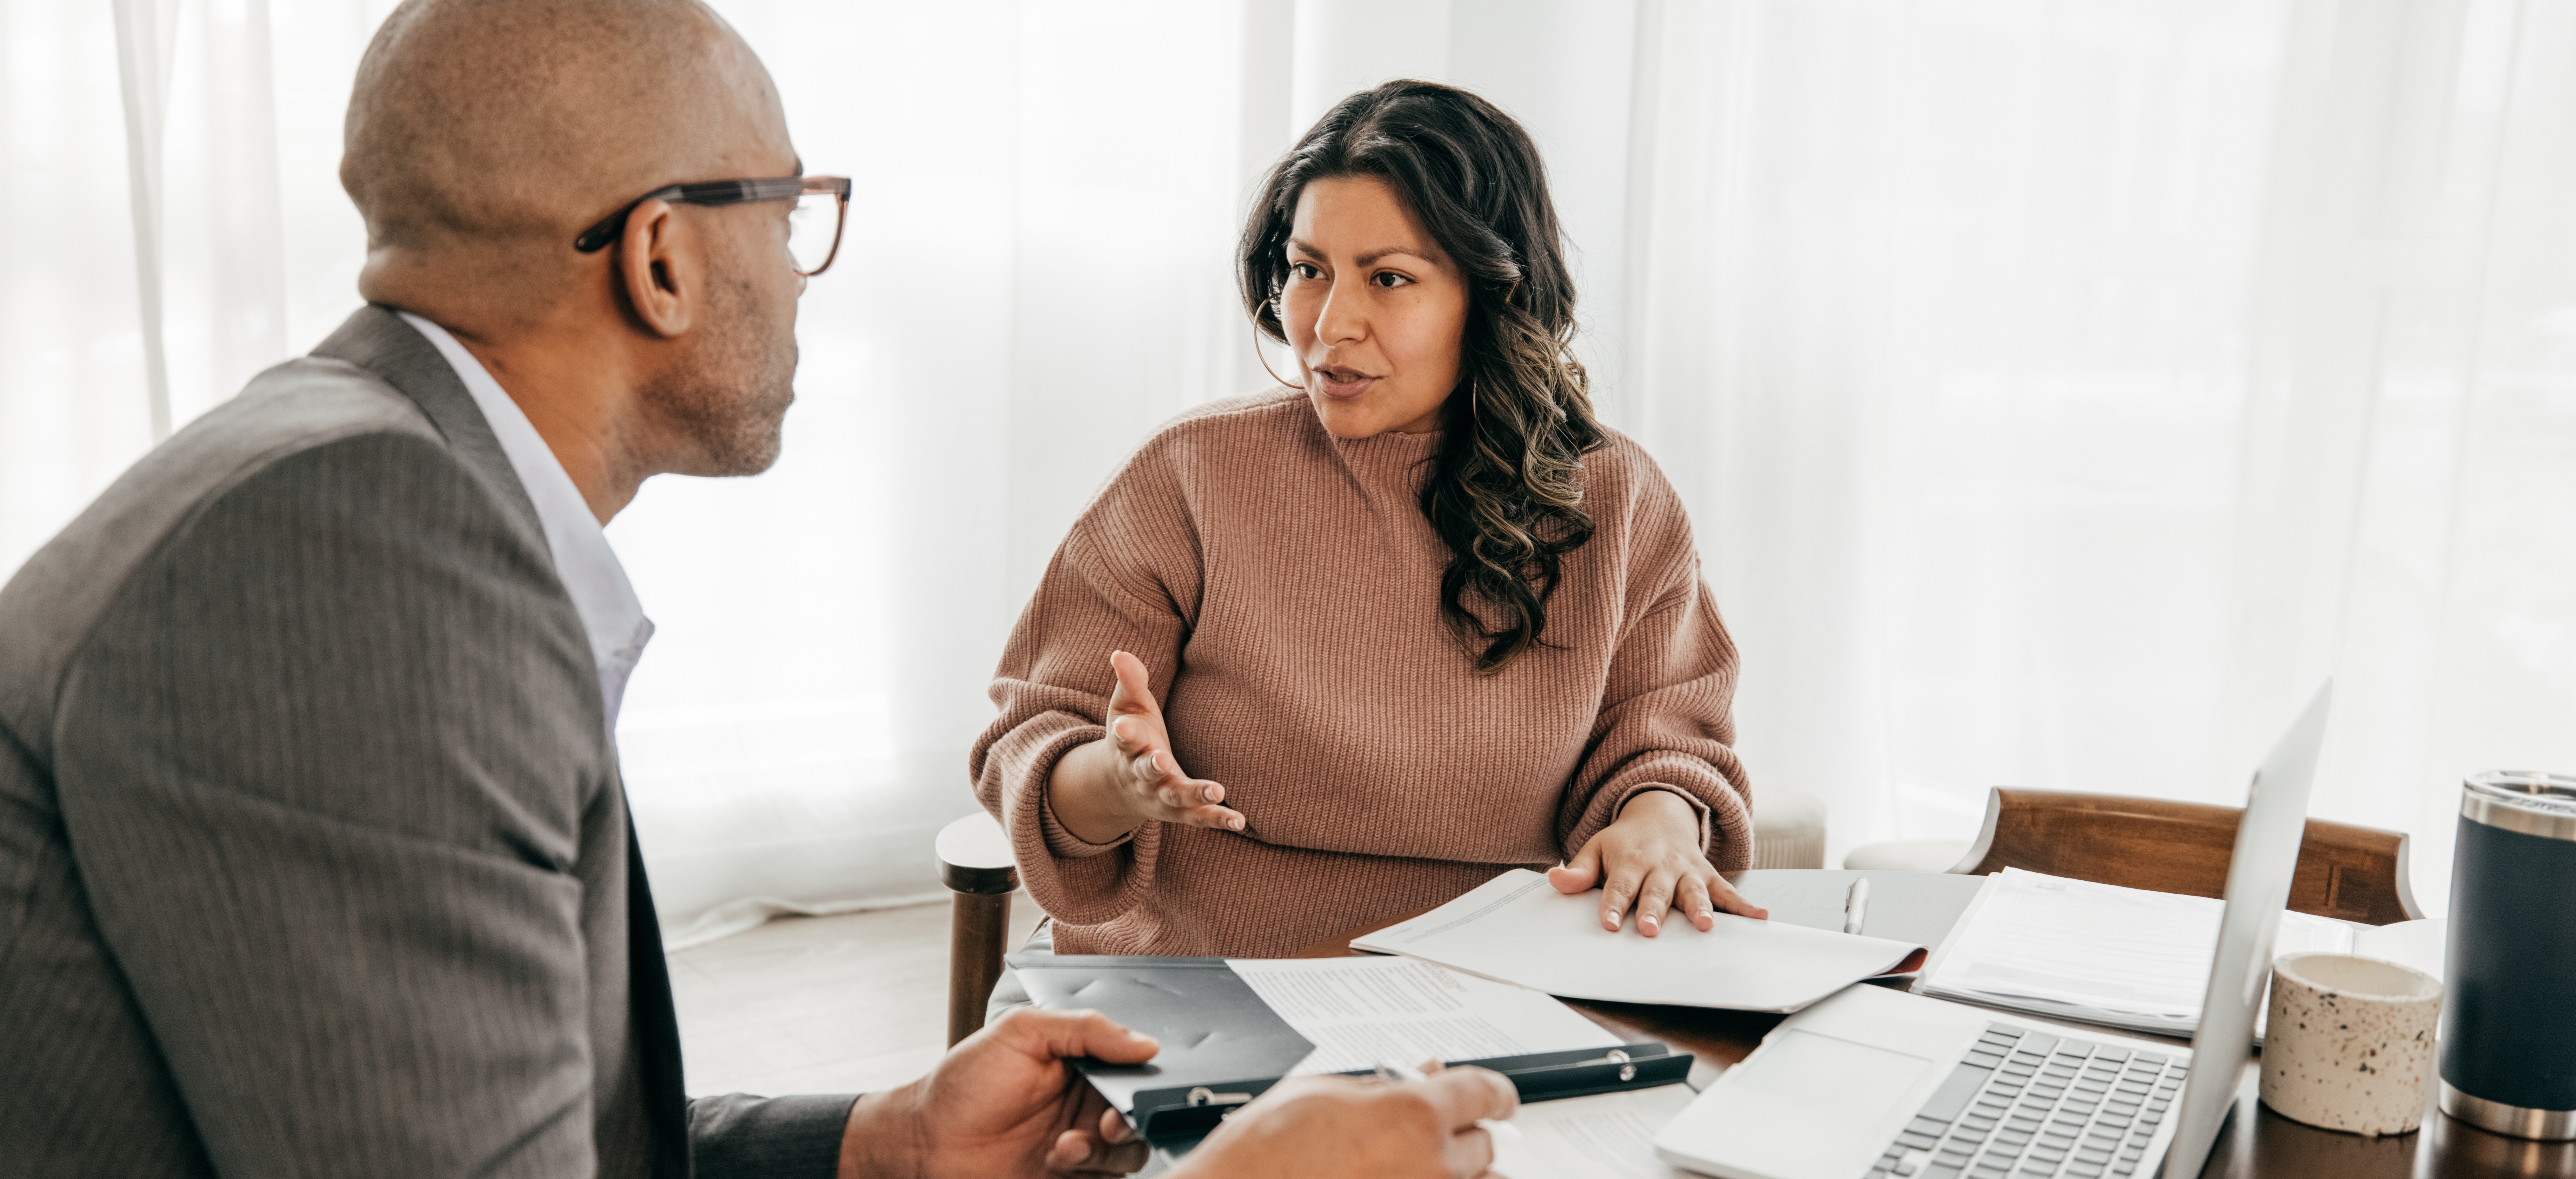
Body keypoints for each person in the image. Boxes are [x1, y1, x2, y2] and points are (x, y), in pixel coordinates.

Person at [0, 3, 1514, 1175]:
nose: (800, 275)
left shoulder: (365, 482)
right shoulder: (353, 558)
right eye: (787, 217)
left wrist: (876, 1141)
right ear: (661, 259)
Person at [974, 79, 1764, 963]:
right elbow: (1035, 741)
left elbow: (1665, 737)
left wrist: (1658, 818)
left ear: (1492, 295)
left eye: (1388, 279)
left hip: (1503, 979)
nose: (1330, 324)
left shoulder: (1616, 499)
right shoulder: (1191, 473)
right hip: (1210, 974)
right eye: (1308, 270)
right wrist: (1118, 786)